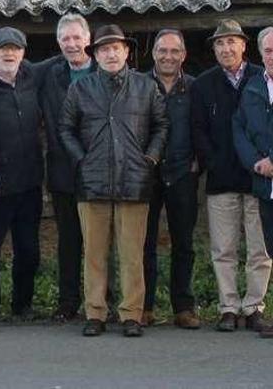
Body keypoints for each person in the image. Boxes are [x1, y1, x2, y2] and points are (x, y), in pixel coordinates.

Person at [59, 24, 168, 337]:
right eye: (103, 49)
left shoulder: (146, 87)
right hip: (92, 183)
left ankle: (132, 314)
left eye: (115, 48)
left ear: (126, 51)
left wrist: (150, 158)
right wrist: (82, 158)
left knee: (132, 253)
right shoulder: (81, 89)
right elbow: (65, 128)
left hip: (135, 180)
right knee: (94, 252)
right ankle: (95, 312)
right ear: (96, 54)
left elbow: (161, 125)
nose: (110, 53)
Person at [191, 19, 271, 332]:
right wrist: (213, 161)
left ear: (243, 45)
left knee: (259, 248)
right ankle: (228, 307)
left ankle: (253, 308)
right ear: (214, 48)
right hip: (222, 179)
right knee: (223, 249)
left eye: (232, 42)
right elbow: (198, 129)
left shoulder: (259, 77)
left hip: (259, 178)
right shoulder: (204, 83)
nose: (226, 48)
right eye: (220, 43)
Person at [0, 27, 44, 323]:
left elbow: (61, 61)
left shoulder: (33, 78)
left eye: (14, 48)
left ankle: (22, 304)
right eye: (2, 48)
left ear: (23, 52)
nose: (9, 53)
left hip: (29, 182)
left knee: (28, 249)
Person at [38, 13, 100, 321]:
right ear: (58, 42)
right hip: (63, 168)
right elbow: (11, 71)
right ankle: (67, 301)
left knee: (100, 240)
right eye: (66, 39)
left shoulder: (105, 68)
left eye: (77, 38)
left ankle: (100, 300)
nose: (72, 44)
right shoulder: (49, 74)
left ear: (88, 39)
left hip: (101, 170)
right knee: (69, 239)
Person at [142, 29, 200, 329]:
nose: (168, 56)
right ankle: (145, 306)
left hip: (182, 174)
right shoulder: (138, 84)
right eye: (162, 51)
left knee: (184, 243)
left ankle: (184, 307)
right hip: (146, 175)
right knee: (144, 242)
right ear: (153, 54)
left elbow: (203, 129)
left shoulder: (194, 88)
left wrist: (196, 163)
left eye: (174, 51)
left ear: (183, 55)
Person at [232, 26, 273, 338]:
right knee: (270, 249)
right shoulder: (253, 87)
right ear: (261, 54)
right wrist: (256, 162)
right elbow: (240, 129)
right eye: (269, 51)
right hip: (265, 183)